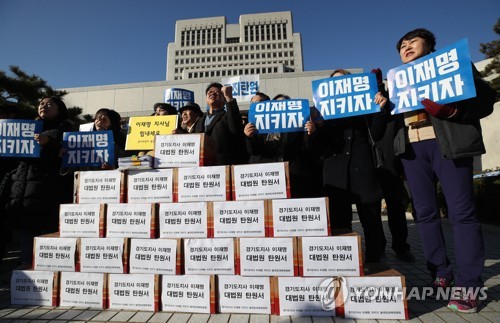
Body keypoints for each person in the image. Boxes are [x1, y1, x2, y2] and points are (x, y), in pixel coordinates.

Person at [390, 28, 495, 313]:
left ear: (430, 46)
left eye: (412, 41)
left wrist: (453, 112)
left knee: (461, 214)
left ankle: (469, 285)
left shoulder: (455, 65)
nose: (406, 46)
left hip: (448, 144)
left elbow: (486, 101)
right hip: (412, 150)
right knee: (424, 214)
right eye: (401, 45)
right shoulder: (396, 80)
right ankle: (440, 274)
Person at [305, 69, 388, 263]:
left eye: (343, 81)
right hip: (335, 173)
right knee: (339, 222)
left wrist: (381, 110)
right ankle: (345, 262)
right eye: (334, 83)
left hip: (363, 169)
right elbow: (317, 147)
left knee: (371, 220)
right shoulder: (321, 113)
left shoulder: (366, 107)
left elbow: (376, 134)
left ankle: (377, 259)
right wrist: (314, 131)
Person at [6, 96, 75, 268]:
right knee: (25, 228)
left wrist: (49, 143)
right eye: (41, 103)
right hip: (22, 186)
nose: (44, 105)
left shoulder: (65, 128)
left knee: (46, 229)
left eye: (49, 104)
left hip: (48, 189)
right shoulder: (26, 128)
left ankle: (47, 266)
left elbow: (66, 157)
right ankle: (26, 263)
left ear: (60, 109)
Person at [372, 68, 415, 263]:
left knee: (396, 207)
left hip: (389, 160)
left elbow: (392, 116)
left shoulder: (390, 103)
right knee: (371, 209)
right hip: (367, 162)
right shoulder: (354, 106)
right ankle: (377, 246)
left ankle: (401, 246)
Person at [244, 92, 323, 198]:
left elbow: (309, 149)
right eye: (276, 105)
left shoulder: (299, 125)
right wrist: (249, 137)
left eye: (285, 105)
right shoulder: (259, 126)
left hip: (295, 178)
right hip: (268, 179)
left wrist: (311, 133)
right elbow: (254, 152)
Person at [193, 82, 247, 165]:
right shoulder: (199, 121)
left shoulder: (228, 116)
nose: (212, 93)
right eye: (209, 92)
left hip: (223, 166)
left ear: (224, 98)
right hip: (201, 167)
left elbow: (236, 127)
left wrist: (229, 97)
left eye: (217, 92)